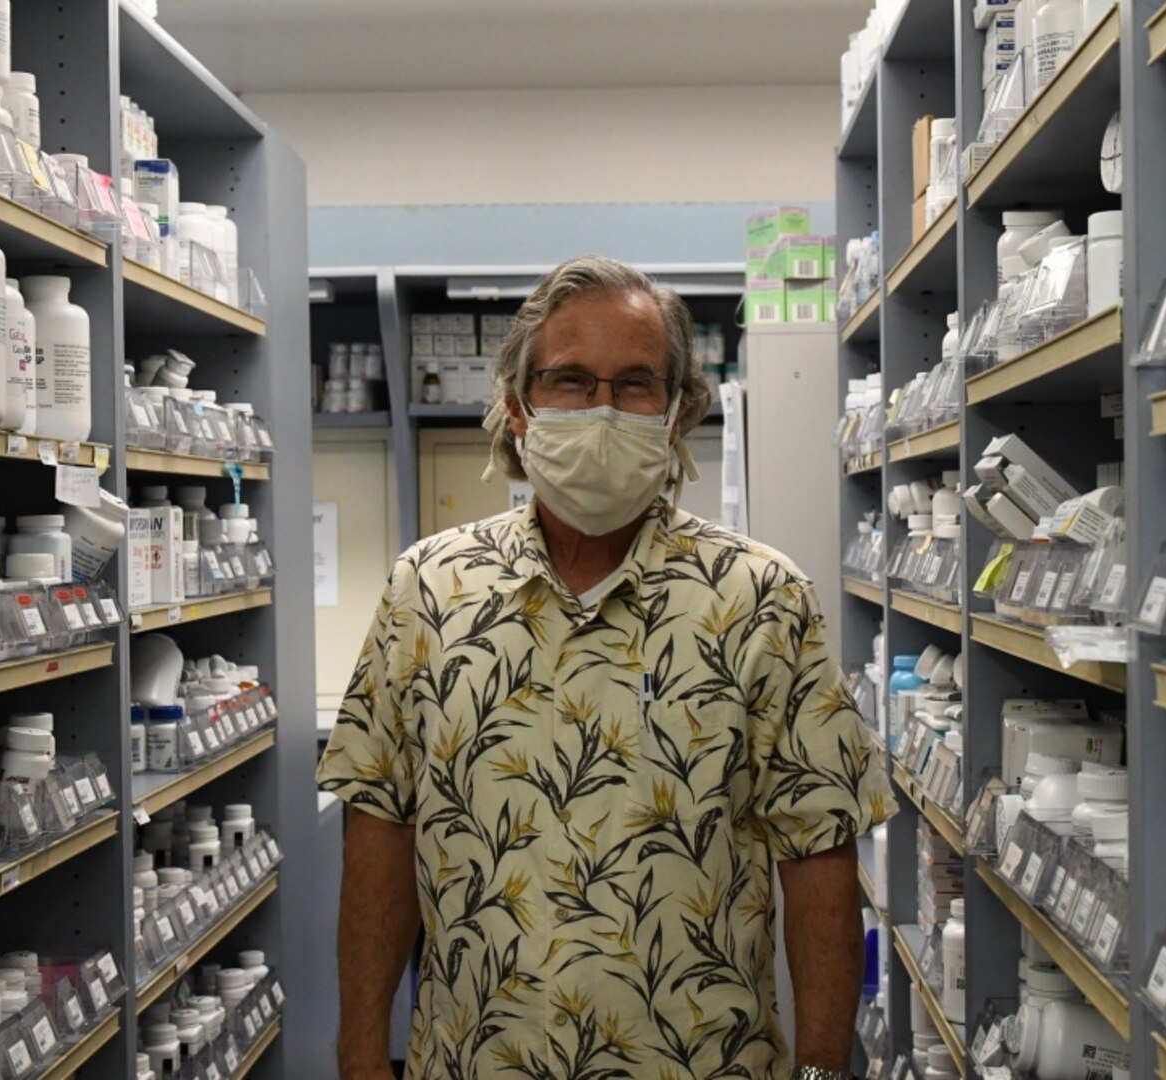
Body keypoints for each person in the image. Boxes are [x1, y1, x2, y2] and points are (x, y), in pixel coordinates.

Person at [317, 255, 896, 1080]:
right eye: (569, 382)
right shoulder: (428, 589)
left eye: (633, 385)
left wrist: (822, 1069)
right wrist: (360, 1049)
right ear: (518, 407)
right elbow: (381, 829)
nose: (601, 410)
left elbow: (818, 855)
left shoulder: (760, 597)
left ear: (675, 409)